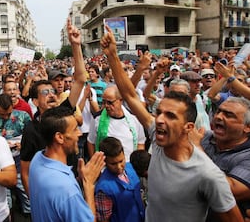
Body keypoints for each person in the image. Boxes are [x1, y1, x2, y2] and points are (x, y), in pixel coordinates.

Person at [100, 25, 243, 222]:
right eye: (159, 113)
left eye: (171, 116)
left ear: (188, 127)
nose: (159, 119)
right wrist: (113, 55)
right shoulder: (158, 139)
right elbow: (128, 95)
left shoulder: (208, 175)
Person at [20, 18, 86, 196]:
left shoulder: (64, 112)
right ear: (34, 101)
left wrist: (76, 46)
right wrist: (33, 200)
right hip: (45, 194)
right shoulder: (30, 130)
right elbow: (25, 171)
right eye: (44, 92)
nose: (51, 94)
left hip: (70, 186)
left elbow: (80, 79)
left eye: (52, 91)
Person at [28, 106, 105, 222]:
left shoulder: (37, 158)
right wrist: (88, 184)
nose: (79, 133)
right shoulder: (66, 189)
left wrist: (79, 180)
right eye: (74, 129)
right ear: (59, 137)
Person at [192, 97, 250, 218]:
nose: (218, 117)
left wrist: (197, 149)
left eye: (229, 115)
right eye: (219, 111)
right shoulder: (204, 137)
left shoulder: (247, 155)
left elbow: (230, 190)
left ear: (247, 127)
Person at [0, 93, 32, 216]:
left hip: (20, 163)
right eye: (2, 114)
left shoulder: (23, 117)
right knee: (5, 200)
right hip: (1, 166)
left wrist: (23, 145)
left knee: (26, 194)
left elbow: (32, 136)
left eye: (9, 113)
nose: (6, 117)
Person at [88, 85, 146, 161]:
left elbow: (140, 143)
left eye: (110, 102)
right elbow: (91, 142)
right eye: (104, 102)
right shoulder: (97, 118)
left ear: (120, 100)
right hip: (105, 168)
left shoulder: (134, 118)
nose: (106, 106)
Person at [95, 137, 145, 222]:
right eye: (113, 164)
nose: (119, 167)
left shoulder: (131, 168)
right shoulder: (103, 189)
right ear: (104, 162)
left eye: (121, 161)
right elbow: (104, 219)